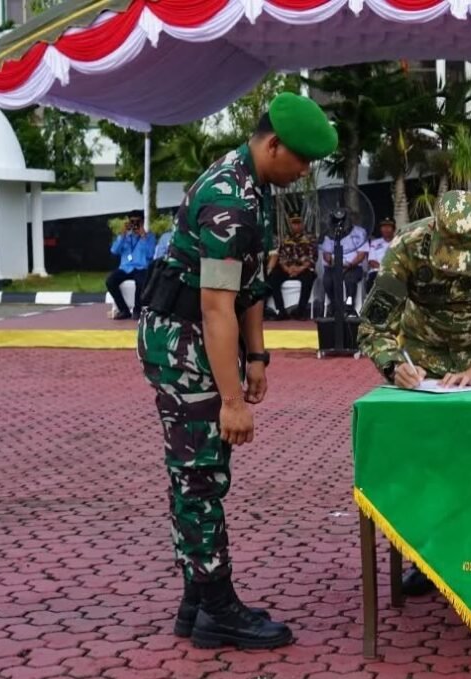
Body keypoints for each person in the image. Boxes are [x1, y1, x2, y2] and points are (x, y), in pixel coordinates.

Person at [138, 92, 337, 650]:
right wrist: (231, 400)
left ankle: (197, 599)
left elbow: (249, 286)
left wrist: (257, 357)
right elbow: (214, 305)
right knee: (199, 477)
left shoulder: (253, 187)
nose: (303, 172)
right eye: (299, 159)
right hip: (183, 343)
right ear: (272, 144)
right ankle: (218, 607)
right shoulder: (229, 199)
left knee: (202, 470)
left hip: (206, 341)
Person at [358, 190, 471, 597]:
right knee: (429, 466)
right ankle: (428, 558)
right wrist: (394, 366)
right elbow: (374, 325)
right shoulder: (407, 245)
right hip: (426, 363)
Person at [266, 213, 317, 320]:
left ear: (302, 224)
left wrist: (299, 269)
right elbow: (280, 256)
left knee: (308, 278)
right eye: (294, 223)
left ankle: (300, 312)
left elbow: (312, 258)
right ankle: (281, 311)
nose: (296, 226)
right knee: (273, 277)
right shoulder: (284, 238)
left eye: (298, 223)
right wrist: (287, 268)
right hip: (287, 268)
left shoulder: (310, 238)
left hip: (303, 268)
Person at [106, 210, 156, 319]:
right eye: (132, 222)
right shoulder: (125, 237)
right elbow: (114, 250)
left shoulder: (149, 237)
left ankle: (137, 310)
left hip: (141, 267)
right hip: (125, 267)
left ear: (142, 222)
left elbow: (150, 254)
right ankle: (124, 310)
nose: (135, 225)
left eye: (137, 222)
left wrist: (143, 236)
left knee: (141, 282)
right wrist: (122, 235)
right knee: (110, 281)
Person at [320, 214, 368, 313]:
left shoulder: (360, 232)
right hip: (334, 266)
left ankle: (349, 306)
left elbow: (361, 254)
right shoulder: (330, 233)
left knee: (350, 280)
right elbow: (326, 253)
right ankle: (334, 305)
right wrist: (331, 261)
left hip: (353, 266)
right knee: (328, 281)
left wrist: (349, 265)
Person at [365, 217, 396, 294]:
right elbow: (372, 261)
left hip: (394, 273)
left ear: (394, 229)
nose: (386, 229)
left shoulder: (398, 241)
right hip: (377, 272)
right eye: (383, 227)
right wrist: (384, 269)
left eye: (389, 227)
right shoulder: (375, 243)